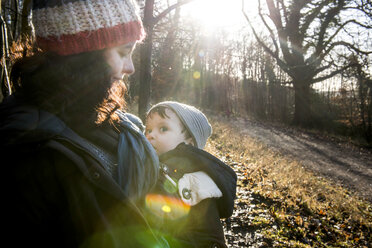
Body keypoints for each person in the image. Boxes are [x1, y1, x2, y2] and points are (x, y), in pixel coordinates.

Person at [0, 1, 166, 247]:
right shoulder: (24, 151)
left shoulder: (111, 116)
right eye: (123, 52)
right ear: (83, 55)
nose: (130, 68)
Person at [143, 101, 237, 248]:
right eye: (148, 130)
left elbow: (210, 236)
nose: (151, 135)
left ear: (189, 144)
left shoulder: (196, 182)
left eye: (163, 128)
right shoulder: (152, 166)